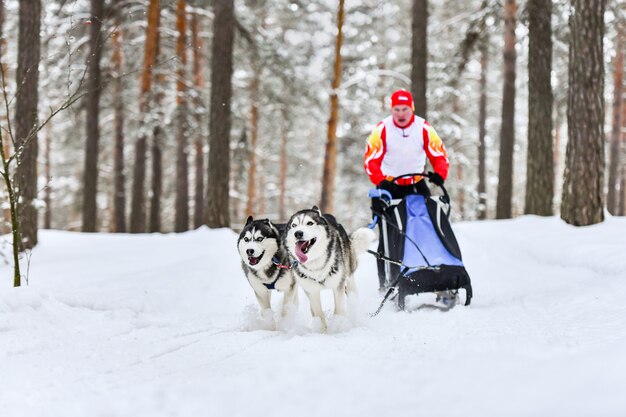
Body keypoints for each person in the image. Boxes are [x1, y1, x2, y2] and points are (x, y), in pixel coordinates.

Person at [363, 89, 456, 307]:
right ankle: (387, 285)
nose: (401, 113)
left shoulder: (423, 128)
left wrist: (439, 176)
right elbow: (370, 160)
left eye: (405, 109)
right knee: (389, 236)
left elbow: (439, 154)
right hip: (388, 188)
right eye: (397, 109)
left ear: (411, 108)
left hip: (417, 186)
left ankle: (439, 282)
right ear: (391, 109)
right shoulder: (382, 129)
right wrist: (380, 180)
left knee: (429, 232)